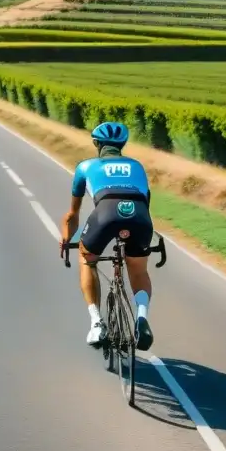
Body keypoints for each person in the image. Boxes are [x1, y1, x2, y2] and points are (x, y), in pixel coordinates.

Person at [59, 122, 154, 350]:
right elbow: (145, 203)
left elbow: (73, 215)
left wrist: (66, 240)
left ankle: (96, 323)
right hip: (140, 218)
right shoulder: (137, 166)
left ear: (96, 144)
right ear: (122, 145)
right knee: (138, 269)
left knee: (87, 259)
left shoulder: (86, 166)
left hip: (105, 215)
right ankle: (142, 318)